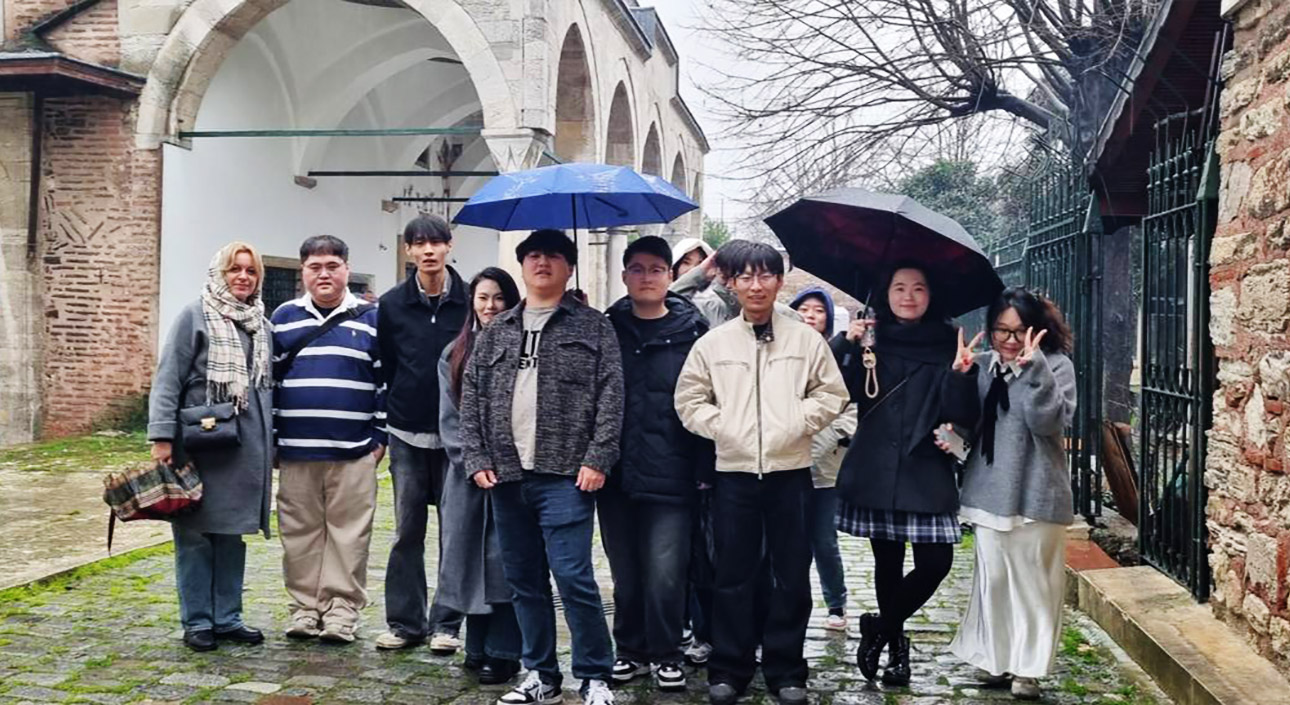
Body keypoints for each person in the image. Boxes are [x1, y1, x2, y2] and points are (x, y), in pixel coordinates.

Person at [675, 242, 849, 705]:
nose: (756, 286)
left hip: (790, 471)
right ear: (731, 282)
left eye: (765, 276)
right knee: (732, 573)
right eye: (746, 277)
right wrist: (725, 427)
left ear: (779, 281)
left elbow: (832, 394)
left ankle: (786, 667)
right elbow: (689, 400)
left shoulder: (805, 340)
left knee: (790, 573)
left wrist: (796, 422)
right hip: (733, 472)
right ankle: (729, 667)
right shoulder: (714, 343)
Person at [460, 229, 623, 705]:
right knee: (524, 580)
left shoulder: (593, 326)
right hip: (507, 475)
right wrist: (477, 457)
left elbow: (612, 395)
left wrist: (598, 457)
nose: (542, 262)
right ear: (522, 265)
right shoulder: (498, 330)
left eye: (553, 255)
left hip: (567, 475)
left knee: (573, 577)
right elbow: (472, 398)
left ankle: (594, 675)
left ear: (569, 267)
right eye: (533, 255)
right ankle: (540, 674)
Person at [832, 263, 981, 686]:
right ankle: (897, 650)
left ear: (932, 295)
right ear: (886, 293)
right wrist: (846, 343)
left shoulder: (949, 342)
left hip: (925, 467)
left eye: (919, 288)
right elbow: (838, 390)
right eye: (899, 288)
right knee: (888, 562)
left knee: (936, 562)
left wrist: (961, 375)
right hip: (876, 468)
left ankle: (879, 628)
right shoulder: (870, 339)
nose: (908, 296)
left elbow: (962, 415)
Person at [946, 288, 1076, 701]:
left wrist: (1034, 369)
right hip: (990, 491)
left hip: (1038, 493)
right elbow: (965, 425)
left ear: (1038, 330)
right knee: (995, 581)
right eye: (1001, 330)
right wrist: (961, 378)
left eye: (1019, 331)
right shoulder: (983, 365)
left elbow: (1047, 423)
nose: (1010, 340)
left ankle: (1028, 669)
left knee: (1035, 585)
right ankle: (994, 658)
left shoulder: (1057, 365)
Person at [599, 236, 713, 692]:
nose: (646, 277)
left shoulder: (694, 332)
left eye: (656, 269)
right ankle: (629, 650)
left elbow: (707, 400)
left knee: (666, 573)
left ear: (670, 276)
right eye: (638, 269)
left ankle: (667, 653)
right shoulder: (607, 329)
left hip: (674, 473)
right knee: (625, 573)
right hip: (617, 472)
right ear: (625, 275)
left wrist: (704, 470)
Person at [148, 241, 274, 652]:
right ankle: (198, 621)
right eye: (234, 269)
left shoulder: (261, 324)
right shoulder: (195, 315)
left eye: (250, 271)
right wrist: (161, 438)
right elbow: (168, 378)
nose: (243, 277)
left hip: (244, 449)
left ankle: (228, 618)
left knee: (231, 534)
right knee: (196, 535)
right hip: (199, 446)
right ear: (220, 274)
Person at [272, 235, 386, 644]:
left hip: (354, 450)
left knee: (349, 535)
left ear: (346, 270)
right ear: (303, 272)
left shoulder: (371, 319)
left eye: (332, 266)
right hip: (296, 451)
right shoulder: (283, 318)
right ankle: (304, 608)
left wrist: (380, 437)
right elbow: (270, 382)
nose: (324, 274)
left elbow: (383, 382)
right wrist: (273, 438)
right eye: (315, 267)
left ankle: (341, 612)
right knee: (299, 534)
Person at [375, 214, 469, 653]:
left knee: (455, 531)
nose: (428, 250)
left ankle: (447, 623)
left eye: (436, 242)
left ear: (450, 245)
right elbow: (390, 363)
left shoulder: (469, 299)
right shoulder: (392, 304)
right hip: (407, 432)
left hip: (457, 437)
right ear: (408, 250)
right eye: (419, 243)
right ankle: (405, 623)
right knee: (406, 531)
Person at [437, 267, 525, 684]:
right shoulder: (454, 352)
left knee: (505, 562)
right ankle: (476, 645)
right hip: (467, 477)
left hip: (512, 473)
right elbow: (448, 418)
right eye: (483, 298)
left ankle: (504, 651)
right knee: (470, 560)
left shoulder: (523, 345)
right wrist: (472, 461)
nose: (490, 306)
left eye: (499, 298)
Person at [789, 288, 857, 632]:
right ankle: (790, 602)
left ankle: (836, 602)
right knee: (789, 542)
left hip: (826, 469)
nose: (810, 315)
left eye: (818, 310)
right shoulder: (783, 355)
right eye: (804, 309)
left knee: (824, 540)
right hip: (786, 467)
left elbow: (851, 411)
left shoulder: (840, 357)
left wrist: (826, 440)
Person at [670, 239, 801, 327]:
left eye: (744, 277)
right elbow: (667, 305)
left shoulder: (788, 317)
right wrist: (699, 273)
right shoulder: (704, 310)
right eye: (725, 277)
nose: (729, 285)